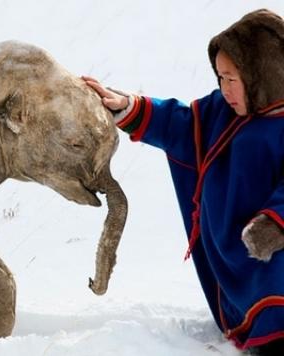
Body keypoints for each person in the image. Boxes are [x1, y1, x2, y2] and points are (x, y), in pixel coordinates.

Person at [83, 9, 284, 356]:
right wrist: (127, 107)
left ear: (261, 72)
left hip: (275, 253)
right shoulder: (221, 110)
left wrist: (274, 224)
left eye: (232, 78)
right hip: (235, 253)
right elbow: (180, 122)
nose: (224, 88)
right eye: (220, 77)